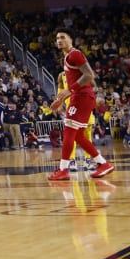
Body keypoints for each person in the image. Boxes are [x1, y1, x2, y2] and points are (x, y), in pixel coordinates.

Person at [48, 30, 114, 180]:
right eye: (57, 38)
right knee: (78, 136)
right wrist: (60, 99)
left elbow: (90, 75)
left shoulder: (75, 54)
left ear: (71, 39)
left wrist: (70, 90)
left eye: (63, 37)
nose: (59, 40)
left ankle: (63, 170)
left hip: (82, 97)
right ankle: (103, 164)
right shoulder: (67, 57)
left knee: (69, 133)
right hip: (80, 96)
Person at [55, 71, 96, 172]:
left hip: (84, 105)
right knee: (71, 137)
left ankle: (88, 160)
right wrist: (59, 103)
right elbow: (60, 92)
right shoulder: (61, 75)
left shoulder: (84, 72)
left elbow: (94, 87)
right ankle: (72, 161)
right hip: (72, 108)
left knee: (87, 135)